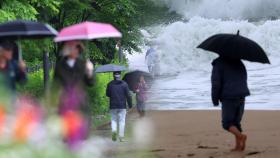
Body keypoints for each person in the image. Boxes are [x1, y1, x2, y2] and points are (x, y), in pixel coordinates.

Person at [53, 40, 94, 145]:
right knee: (66, 137)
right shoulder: (59, 65)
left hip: (80, 103)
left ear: (78, 50)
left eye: (75, 47)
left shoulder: (83, 64)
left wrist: (89, 72)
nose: (71, 49)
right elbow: (55, 84)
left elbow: (90, 83)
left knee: (81, 136)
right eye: (69, 47)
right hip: (65, 103)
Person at [211, 56, 250, 151]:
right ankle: (238, 146)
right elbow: (244, 77)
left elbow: (216, 83)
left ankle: (241, 136)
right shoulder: (239, 62)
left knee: (227, 123)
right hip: (242, 94)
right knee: (236, 122)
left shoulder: (218, 63)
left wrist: (215, 99)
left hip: (229, 96)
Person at [106, 71, 132, 142]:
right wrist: (130, 105)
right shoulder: (124, 84)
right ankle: (121, 137)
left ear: (113, 75)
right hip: (122, 106)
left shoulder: (110, 84)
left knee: (113, 120)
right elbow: (128, 95)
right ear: (120, 75)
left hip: (113, 106)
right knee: (122, 121)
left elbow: (108, 94)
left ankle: (114, 131)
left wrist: (110, 87)